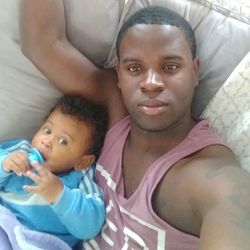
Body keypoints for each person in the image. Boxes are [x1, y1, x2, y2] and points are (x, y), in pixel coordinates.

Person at [21, 2, 250, 249]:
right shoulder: (116, 108)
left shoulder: (211, 177)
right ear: (119, 74)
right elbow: (42, 44)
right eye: (134, 68)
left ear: (195, 71)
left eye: (170, 67)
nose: (151, 83)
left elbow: (232, 207)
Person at [0, 95, 108, 248]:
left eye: (63, 141)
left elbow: (90, 227)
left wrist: (59, 194)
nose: (47, 141)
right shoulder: (19, 151)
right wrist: (4, 165)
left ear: (82, 161)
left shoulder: (81, 179)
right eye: (47, 130)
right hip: (5, 228)